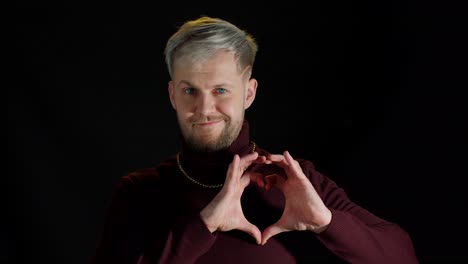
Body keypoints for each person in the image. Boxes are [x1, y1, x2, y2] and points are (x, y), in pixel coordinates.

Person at [89, 16, 419, 263]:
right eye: (191, 91)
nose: (205, 108)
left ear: (248, 93)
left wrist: (325, 222)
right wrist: (204, 225)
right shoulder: (139, 191)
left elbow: (402, 256)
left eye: (220, 90)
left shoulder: (294, 181)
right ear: (173, 95)